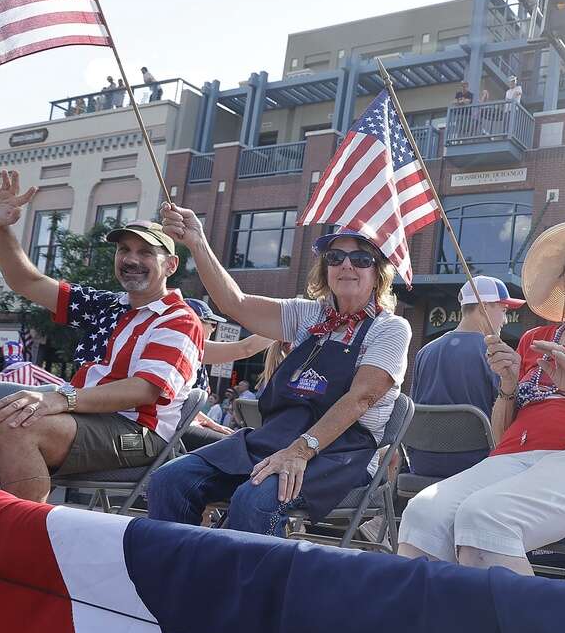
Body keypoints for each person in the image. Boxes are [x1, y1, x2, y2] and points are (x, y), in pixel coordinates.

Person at [0, 171, 205, 558]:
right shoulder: (107, 306)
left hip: (137, 430)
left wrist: (62, 398)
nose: (131, 260)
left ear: (170, 265)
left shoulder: (179, 318)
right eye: (124, 250)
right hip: (81, 418)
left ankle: (18, 561)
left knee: (19, 423)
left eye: (145, 252)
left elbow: (144, 390)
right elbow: (26, 281)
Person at [397, 220, 565, 576]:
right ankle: (436, 628)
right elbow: (501, 436)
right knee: (422, 514)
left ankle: (534, 631)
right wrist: (508, 384)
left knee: (485, 519)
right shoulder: (533, 339)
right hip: (518, 460)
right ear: (564, 278)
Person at [150, 203, 412, 536]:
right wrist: (198, 243)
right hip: (274, 441)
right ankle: (176, 577)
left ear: (378, 274)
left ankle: (261, 587)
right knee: (169, 480)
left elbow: (361, 398)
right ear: (325, 269)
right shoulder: (308, 315)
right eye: (335, 258)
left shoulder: (391, 328)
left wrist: (301, 451)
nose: (346, 265)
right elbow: (235, 304)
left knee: (254, 499)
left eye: (361, 259)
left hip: (341, 455)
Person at [405, 275, 523, 480]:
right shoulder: (495, 355)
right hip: (476, 467)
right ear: (484, 307)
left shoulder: (425, 351)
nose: (505, 320)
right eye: (503, 311)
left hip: (422, 465)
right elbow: (508, 420)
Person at [182, 298, 271, 451]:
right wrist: (283, 325)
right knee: (237, 448)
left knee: (234, 440)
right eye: (211, 323)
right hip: (173, 430)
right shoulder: (186, 344)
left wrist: (213, 424)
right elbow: (245, 348)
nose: (214, 329)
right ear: (194, 321)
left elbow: (183, 403)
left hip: (180, 425)